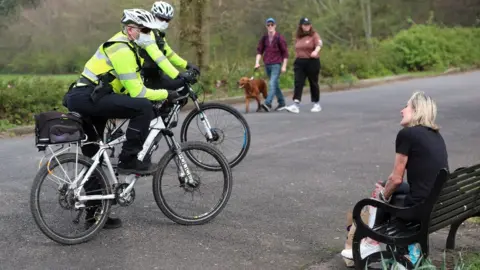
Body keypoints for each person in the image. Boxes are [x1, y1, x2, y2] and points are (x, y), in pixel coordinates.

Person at [64, 9, 189, 229]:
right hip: (87, 98)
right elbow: (138, 93)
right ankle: (129, 159)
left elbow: (142, 82)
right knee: (142, 108)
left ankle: (95, 215)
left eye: (150, 30)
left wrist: (171, 87)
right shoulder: (121, 49)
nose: (148, 35)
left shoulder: (130, 49)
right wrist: (165, 95)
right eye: (145, 30)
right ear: (131, 30)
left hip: (90, 98)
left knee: (95, 155)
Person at [340, 91, 449, 266]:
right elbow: (395, 180)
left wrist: (381, 197)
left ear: (416, 109)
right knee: (384, 187)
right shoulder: (436, 135)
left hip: (420, 207)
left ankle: (371, 243)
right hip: (441, 202)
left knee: (382, 195)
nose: (402, 110)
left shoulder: (408, 134)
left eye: (406, 106)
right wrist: (384, 189)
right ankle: (372, 242)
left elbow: (397, 179)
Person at [140, 1, 200, 91]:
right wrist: (177, 74)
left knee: (182, 88)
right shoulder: (146, 33)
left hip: (156, 75)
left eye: (167, 20)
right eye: (161, 18)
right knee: (179, 85)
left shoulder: (158, 35)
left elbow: (169, 53)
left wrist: (187, 65)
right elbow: (158, 57)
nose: (164, 22)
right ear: (152, 16)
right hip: (145, 77)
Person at [284, 17, 323, 114]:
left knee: (313, 82)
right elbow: (297, 48)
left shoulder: (314, 35)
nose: (307, 26)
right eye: (305, 25)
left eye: (308, 24)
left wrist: (315, 51)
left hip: (312, 61)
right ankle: (295, 104)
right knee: (298, 82)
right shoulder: (298, 37)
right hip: (300, 62)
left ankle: (316, 103)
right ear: (301, 26)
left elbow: (319, 44)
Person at [254, 17, 289, 112]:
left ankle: (267, 103)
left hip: (276, 64)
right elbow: (259, 51)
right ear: (266, 26)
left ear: (275, 26)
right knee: (275, 84)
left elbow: (285, 53)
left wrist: (284, 66)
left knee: (272, 83)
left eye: (272, 24)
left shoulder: (279, 38)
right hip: (267, 65)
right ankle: (282, 103)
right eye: (268, 25)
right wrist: (257, 62)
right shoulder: (264, 38)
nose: (270, 26)